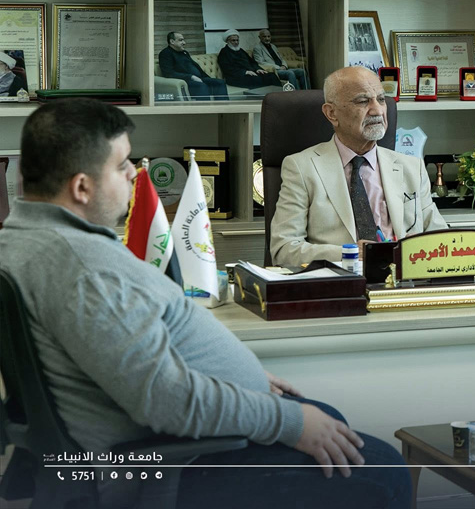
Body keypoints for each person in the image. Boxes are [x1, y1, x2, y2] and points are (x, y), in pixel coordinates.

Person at [0, 99, 411, 508]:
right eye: (122, 165)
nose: (134, 174)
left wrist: (236, 378)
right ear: (82, 187)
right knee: (385, 470)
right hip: (176, 463)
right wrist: (288, 422)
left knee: (330, 423)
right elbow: (164, 399)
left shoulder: (23, 240)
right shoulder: (86, 269)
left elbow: (121, 354)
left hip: (177, 439)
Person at [271, 66, 447, 265]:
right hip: (341, 279)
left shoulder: (412, 168)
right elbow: (283, 249)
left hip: (403, 277)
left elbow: (442, 239)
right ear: (332, 113)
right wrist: (351, 253)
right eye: (363, 101)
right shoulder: (302, 168)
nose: (377, 110)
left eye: (381, 99)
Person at [158, 32, 229, 100]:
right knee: (201, 86)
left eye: (183, 40)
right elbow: (169, 73)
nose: (184, 43)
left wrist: (207, 78)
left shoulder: (184, 52)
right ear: (172, 41)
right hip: (185, 82)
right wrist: (191, 77)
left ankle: (223, 107)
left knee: (220, 83)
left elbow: (195, 66)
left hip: (197, 79)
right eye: (180, 40)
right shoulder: (165, 53)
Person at [217, 29, 282, 89]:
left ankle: (280, 94)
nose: (236, 42)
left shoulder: (241, 50)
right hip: (236, 77)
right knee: (256, 79)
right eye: (233, 40)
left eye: (237, 40)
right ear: (227, 41)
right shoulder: (224, 52)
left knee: (271, 75)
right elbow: (227, 68)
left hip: (250, 73)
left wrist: (258, 69)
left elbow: (252, 62)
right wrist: (245, 72)